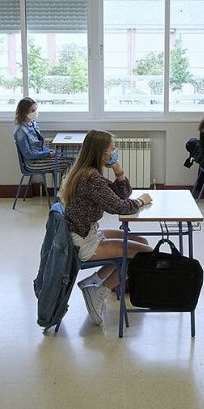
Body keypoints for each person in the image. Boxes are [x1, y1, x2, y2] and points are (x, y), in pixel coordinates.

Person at [59, 129, 153, 326]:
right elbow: (120, 206)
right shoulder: (91, 178)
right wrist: (141, 202)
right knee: (144, 253)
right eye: (112, 149)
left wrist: (118, 169)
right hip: (85, 241)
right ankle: (99, 289)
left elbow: (122, 193)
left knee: (141, 242)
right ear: (100, 153)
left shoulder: (87, 172)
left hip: (85, 232)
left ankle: (93, 281)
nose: (115, 151)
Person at [13, 97, 72, 178]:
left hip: (40, 159)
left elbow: (39, 147)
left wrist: (49, 151)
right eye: (32, 111)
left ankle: (65, 189)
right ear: (24, 112)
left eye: (35, 110)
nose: (35, 113)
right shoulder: (21, 131)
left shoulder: (34, 124)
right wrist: (47, 154)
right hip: (32, 164)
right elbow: (28, 154)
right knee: (69, 164)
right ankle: (65, 190)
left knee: (72, 161)